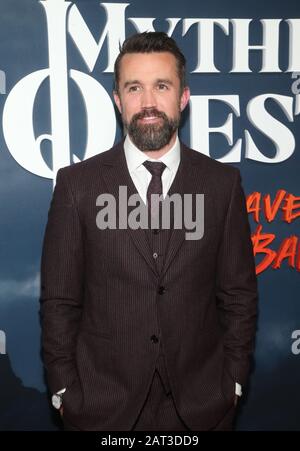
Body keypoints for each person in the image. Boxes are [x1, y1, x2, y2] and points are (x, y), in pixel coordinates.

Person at [40, 32, 258, 431]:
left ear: (183, 97)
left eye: (161, 86)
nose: (148, 103)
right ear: (118, 101)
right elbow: (59, 301)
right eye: (134, 88)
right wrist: (64, 390)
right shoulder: (78, 186)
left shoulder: (222, 185)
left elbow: (238, 296)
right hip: (101, 409)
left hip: (202, 407)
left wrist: (234, 381)